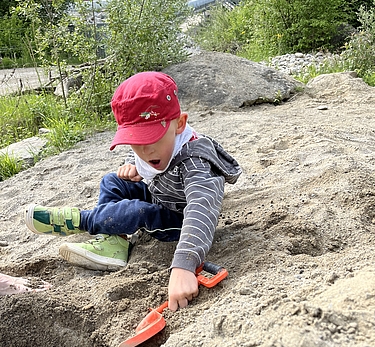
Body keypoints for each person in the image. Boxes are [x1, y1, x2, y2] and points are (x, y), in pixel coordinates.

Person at [24, 71, 241, 311]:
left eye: (153, 139)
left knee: (137, 211)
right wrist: (131, 163)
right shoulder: (151, 151)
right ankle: (113, 241)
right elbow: (138, 151)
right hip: (161, 192)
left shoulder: (197, 163)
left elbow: (201, 211)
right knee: (112, 181)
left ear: (179, 124)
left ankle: (80, 220)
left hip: (179, 217)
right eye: (136, 142)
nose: (146, 152)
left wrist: (184, 266)